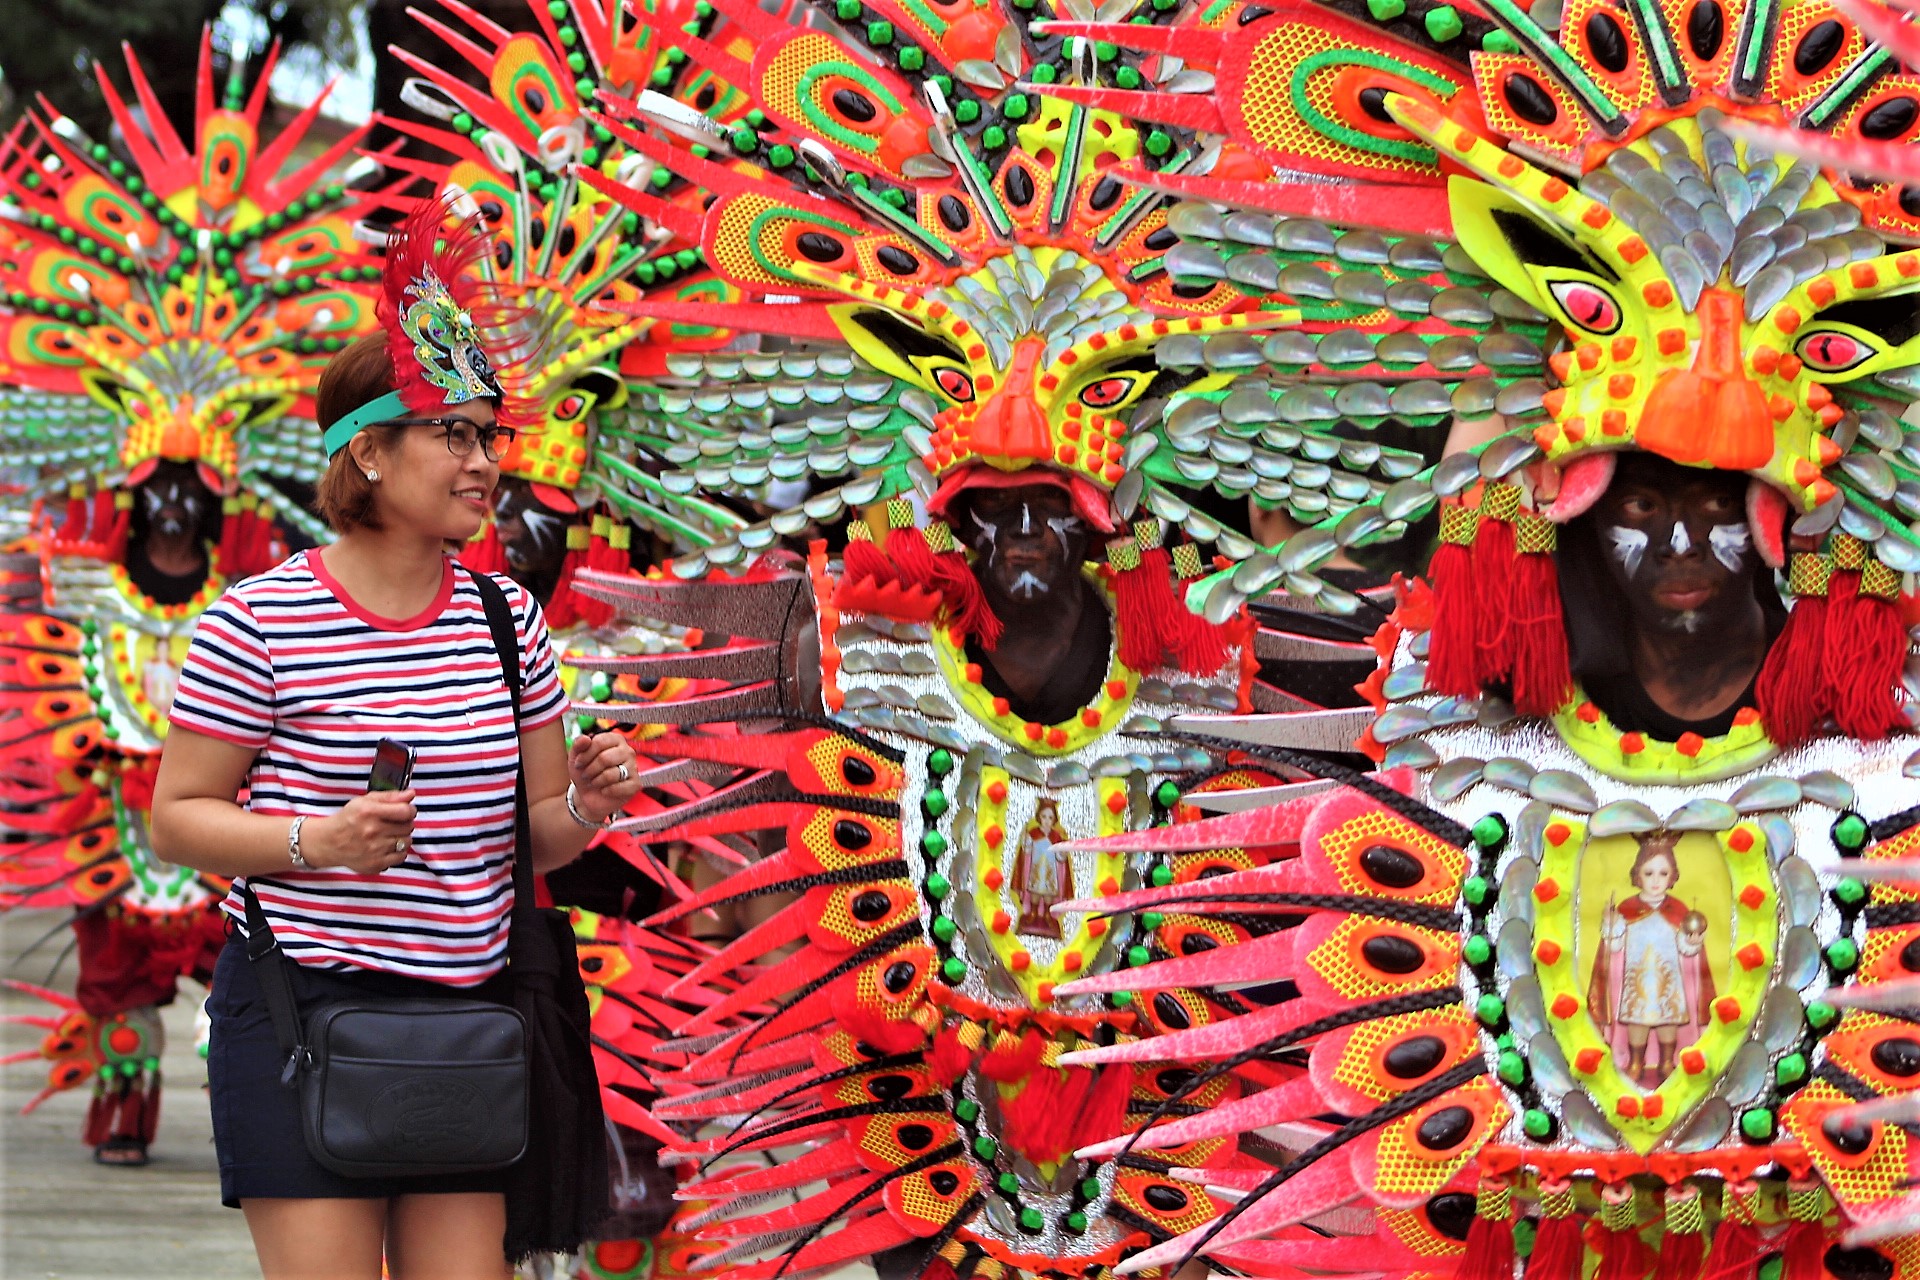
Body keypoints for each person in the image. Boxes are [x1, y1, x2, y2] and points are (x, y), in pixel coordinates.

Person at [147, 203, 643, 1280]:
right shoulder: (257, 619)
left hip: (467, 1025)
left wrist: (594, 803)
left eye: (488, 434)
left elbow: (540, 838)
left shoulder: (511, 622)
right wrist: (313, 842)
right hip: (300, 1016)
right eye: (453, 433)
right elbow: (176, 816)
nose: (484, 462)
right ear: (367, 451)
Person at [1588, 836, 1714, 1088]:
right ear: (1638, 875)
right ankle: (1636, 1062)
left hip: (1669, 980)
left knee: (1668, 1021)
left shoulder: (1678, 910)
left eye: (1663, 873)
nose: (1656, 880)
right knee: (1637, 1021)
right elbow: (1614, 946)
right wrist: (1611, 926)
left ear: (1672, 876)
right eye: (1649, 873)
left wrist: (1692, 940)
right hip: (1637, 980)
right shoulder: (1627, 909)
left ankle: (1668, 1061)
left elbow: (1686, 949)